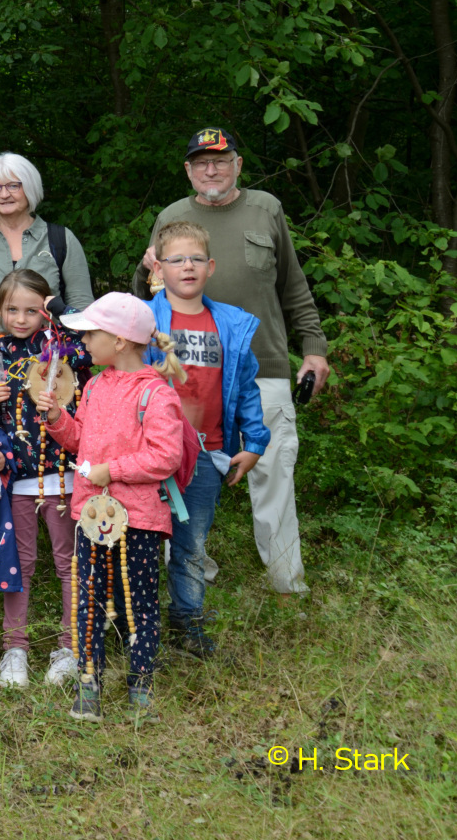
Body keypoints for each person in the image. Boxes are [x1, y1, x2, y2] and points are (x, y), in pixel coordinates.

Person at [135, 127, 326, 596]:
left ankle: (287, 585)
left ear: (238, 164)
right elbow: (144, 300)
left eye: (221, 160)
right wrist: (144, 271)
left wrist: (315, 348)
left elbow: (293, 286)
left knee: (274, 474)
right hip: (186, 376)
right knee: (175, 479)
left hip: (264, 367)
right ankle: (192, 579)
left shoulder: (266, 209)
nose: (211, 169)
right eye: (201, 162)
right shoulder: (171, 217)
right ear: (188, 171)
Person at [33, 292, 187, 721]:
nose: (83, 342)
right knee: (89, 602)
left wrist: (111, 470)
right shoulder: (97, 384)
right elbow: (80, 439)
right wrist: (56, 419)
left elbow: (165, 456)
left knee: (139, 602)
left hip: (137, 519)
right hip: (91, 515)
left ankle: (141, 686)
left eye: (92, 334)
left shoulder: (156, 394)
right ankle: (89, 684)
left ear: (119, 341)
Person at [145, 220, 268, 659]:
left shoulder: (230, 324)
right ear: (159, 268)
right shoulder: (144, 318)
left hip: (208, 453)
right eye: (176, 259)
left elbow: (248, 387)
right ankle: (134, 620)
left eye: (196, 258)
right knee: (138, 540)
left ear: (211, 266)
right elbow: (119, 376)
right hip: (150, 453)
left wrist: (254, 442)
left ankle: (187, 621)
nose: (188, 266)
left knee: (191, 544)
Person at [0, 269, 92, 688]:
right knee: (19, 564)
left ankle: (69, 646)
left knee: (69, 564)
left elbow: (89, 351)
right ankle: (15, 648)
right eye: (12, 309)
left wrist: (59, 314)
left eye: (33, 309)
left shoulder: (63, 347)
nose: (22, 318)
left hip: (63, 476)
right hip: (19, 479)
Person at [0, 153, 95, 332]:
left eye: (13, 186)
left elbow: (82, 308)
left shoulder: (61, 239)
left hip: (46, 354)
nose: (4, 195)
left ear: (30, 188)